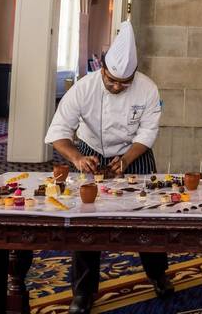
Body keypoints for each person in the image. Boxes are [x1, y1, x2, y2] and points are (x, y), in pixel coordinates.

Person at [45, 21, 172, 314]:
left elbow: (147, 134)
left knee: (146, 220)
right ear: (102, 70)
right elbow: (58, 133)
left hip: (136, 156)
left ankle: (158, 275)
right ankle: (83, 292)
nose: (116, 87)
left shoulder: (148, 89)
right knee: (87, 221)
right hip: (90, 151)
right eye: (111, 81)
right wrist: (77, 158)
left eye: (123, 84)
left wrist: (126, 159)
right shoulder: (84, 88)